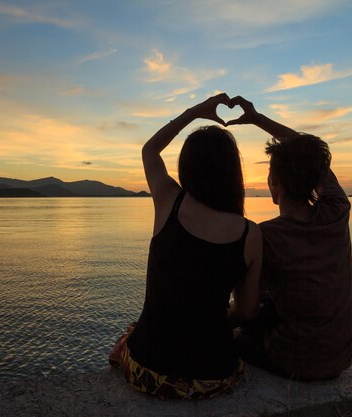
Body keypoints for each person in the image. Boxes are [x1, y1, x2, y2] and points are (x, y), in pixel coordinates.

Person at [108, 93, 262, 399]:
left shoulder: (169, 200)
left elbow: (150, 149)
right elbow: (246, 312)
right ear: (233, 173)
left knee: (130, 333)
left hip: (149, 373)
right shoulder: (251, 234)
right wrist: (210, 316)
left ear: (187, 167)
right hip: (214, 377)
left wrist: (194, 112)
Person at [226, 96, 352, 380]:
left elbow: (245, 312)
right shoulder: (337, 210)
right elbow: (310, 155)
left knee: (235, 332)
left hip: (293, 360)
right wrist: (259, 118)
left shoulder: (266, 235)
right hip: (344, 355)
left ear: (274, 183)